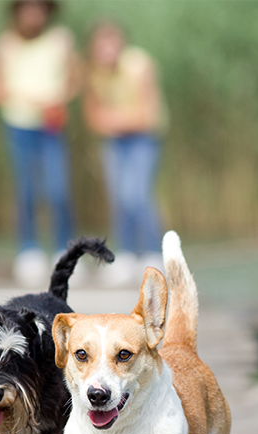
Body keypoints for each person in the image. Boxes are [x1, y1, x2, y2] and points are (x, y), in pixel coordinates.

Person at [0, 0, 81, 287]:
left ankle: (67, 251)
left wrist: (59, 99)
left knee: (58, 188)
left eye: (40, 7)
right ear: (17, 11)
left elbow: (76, 77)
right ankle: (28, 249)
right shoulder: (6, 43)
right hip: (19, 124)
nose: (34, 13)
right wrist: (32, 100)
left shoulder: (60, 39)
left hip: (51, 125)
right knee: (25, 188)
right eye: (28, 7)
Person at [84, 20, 167, 287]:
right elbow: (93, 115)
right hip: (115, 141)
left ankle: (154, 254)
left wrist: (115, 120)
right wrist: (115, 120)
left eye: (111, 42)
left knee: (138, 195)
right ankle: (126, 255)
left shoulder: (140, 65)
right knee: (119, 197)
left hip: (143, 138)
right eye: (101, 44)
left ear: (121, 43)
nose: (106, 50)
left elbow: (148, 114)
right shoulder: (94, 72)